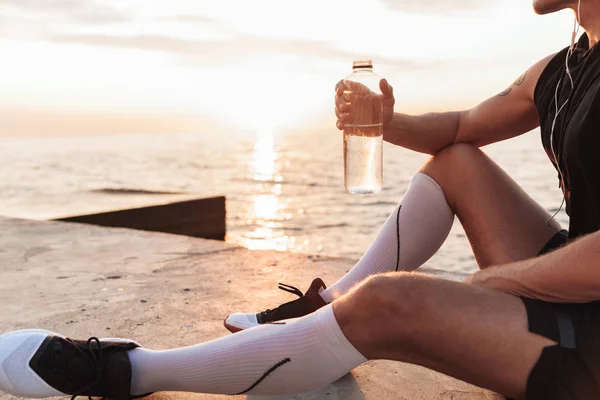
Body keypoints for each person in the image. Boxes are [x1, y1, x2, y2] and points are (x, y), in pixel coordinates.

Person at [2, 0, 600, 399]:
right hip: (580, 283)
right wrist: (386, 121)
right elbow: (462, 125)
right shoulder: (563, 67)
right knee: (457, 162)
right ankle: (331, 304)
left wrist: (498, 283)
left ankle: (131, 370)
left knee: (389, 303)